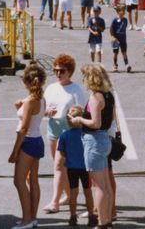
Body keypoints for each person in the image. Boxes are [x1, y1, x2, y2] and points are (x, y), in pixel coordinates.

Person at [69, 64, 116, 229]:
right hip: (104, 140)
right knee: (105, 184)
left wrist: (79, 119)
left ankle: (102, 222)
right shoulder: (108, 95)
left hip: (95, 141)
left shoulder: (96, 97)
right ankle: (108, 219)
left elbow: (95, 123)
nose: (83, 81)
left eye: (85, 78)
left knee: (99, 186)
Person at [44, 54, 88, 215]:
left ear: (69, 72)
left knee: (59, 165)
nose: (58, 74)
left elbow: (81, 111)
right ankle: (69, 195)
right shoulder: (51, 88)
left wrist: (71, 115)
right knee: (59, 165)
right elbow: (42, 108)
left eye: (61, 71)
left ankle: (54, 201)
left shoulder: (75, 89)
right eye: (55, 70)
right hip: (53, 125)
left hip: (68, 128)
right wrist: (46, 111)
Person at [10, 63, 47, 229]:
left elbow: (23, 129)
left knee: (19, 181)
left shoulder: (30, 101)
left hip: (28, 142)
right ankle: (32, 217)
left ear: (26, 82)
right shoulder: (40, 99)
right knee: (33, 180)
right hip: (38, 140)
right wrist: (21, 105)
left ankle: (26, 219)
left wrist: (15, 151)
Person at [58, 105, 94, 227]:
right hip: (86, 167)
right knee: (88, 191)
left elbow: (62, 152)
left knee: (73, 192)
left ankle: (72, 216)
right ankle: (91, 216)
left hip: (71, 167)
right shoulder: (86, 134)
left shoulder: (64, 135)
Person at [110, 5, 131, 73]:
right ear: (118, 11)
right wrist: (112, 36)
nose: (124, 12)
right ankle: (115, 65)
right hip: (116, 39)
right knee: (115, 53)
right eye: (122, 10)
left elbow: (124, 28)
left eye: (124, 10)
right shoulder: (114, 20)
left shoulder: (125, 20)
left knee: (124, 52)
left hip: (123, 39)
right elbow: (111, 29)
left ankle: (127, 65)